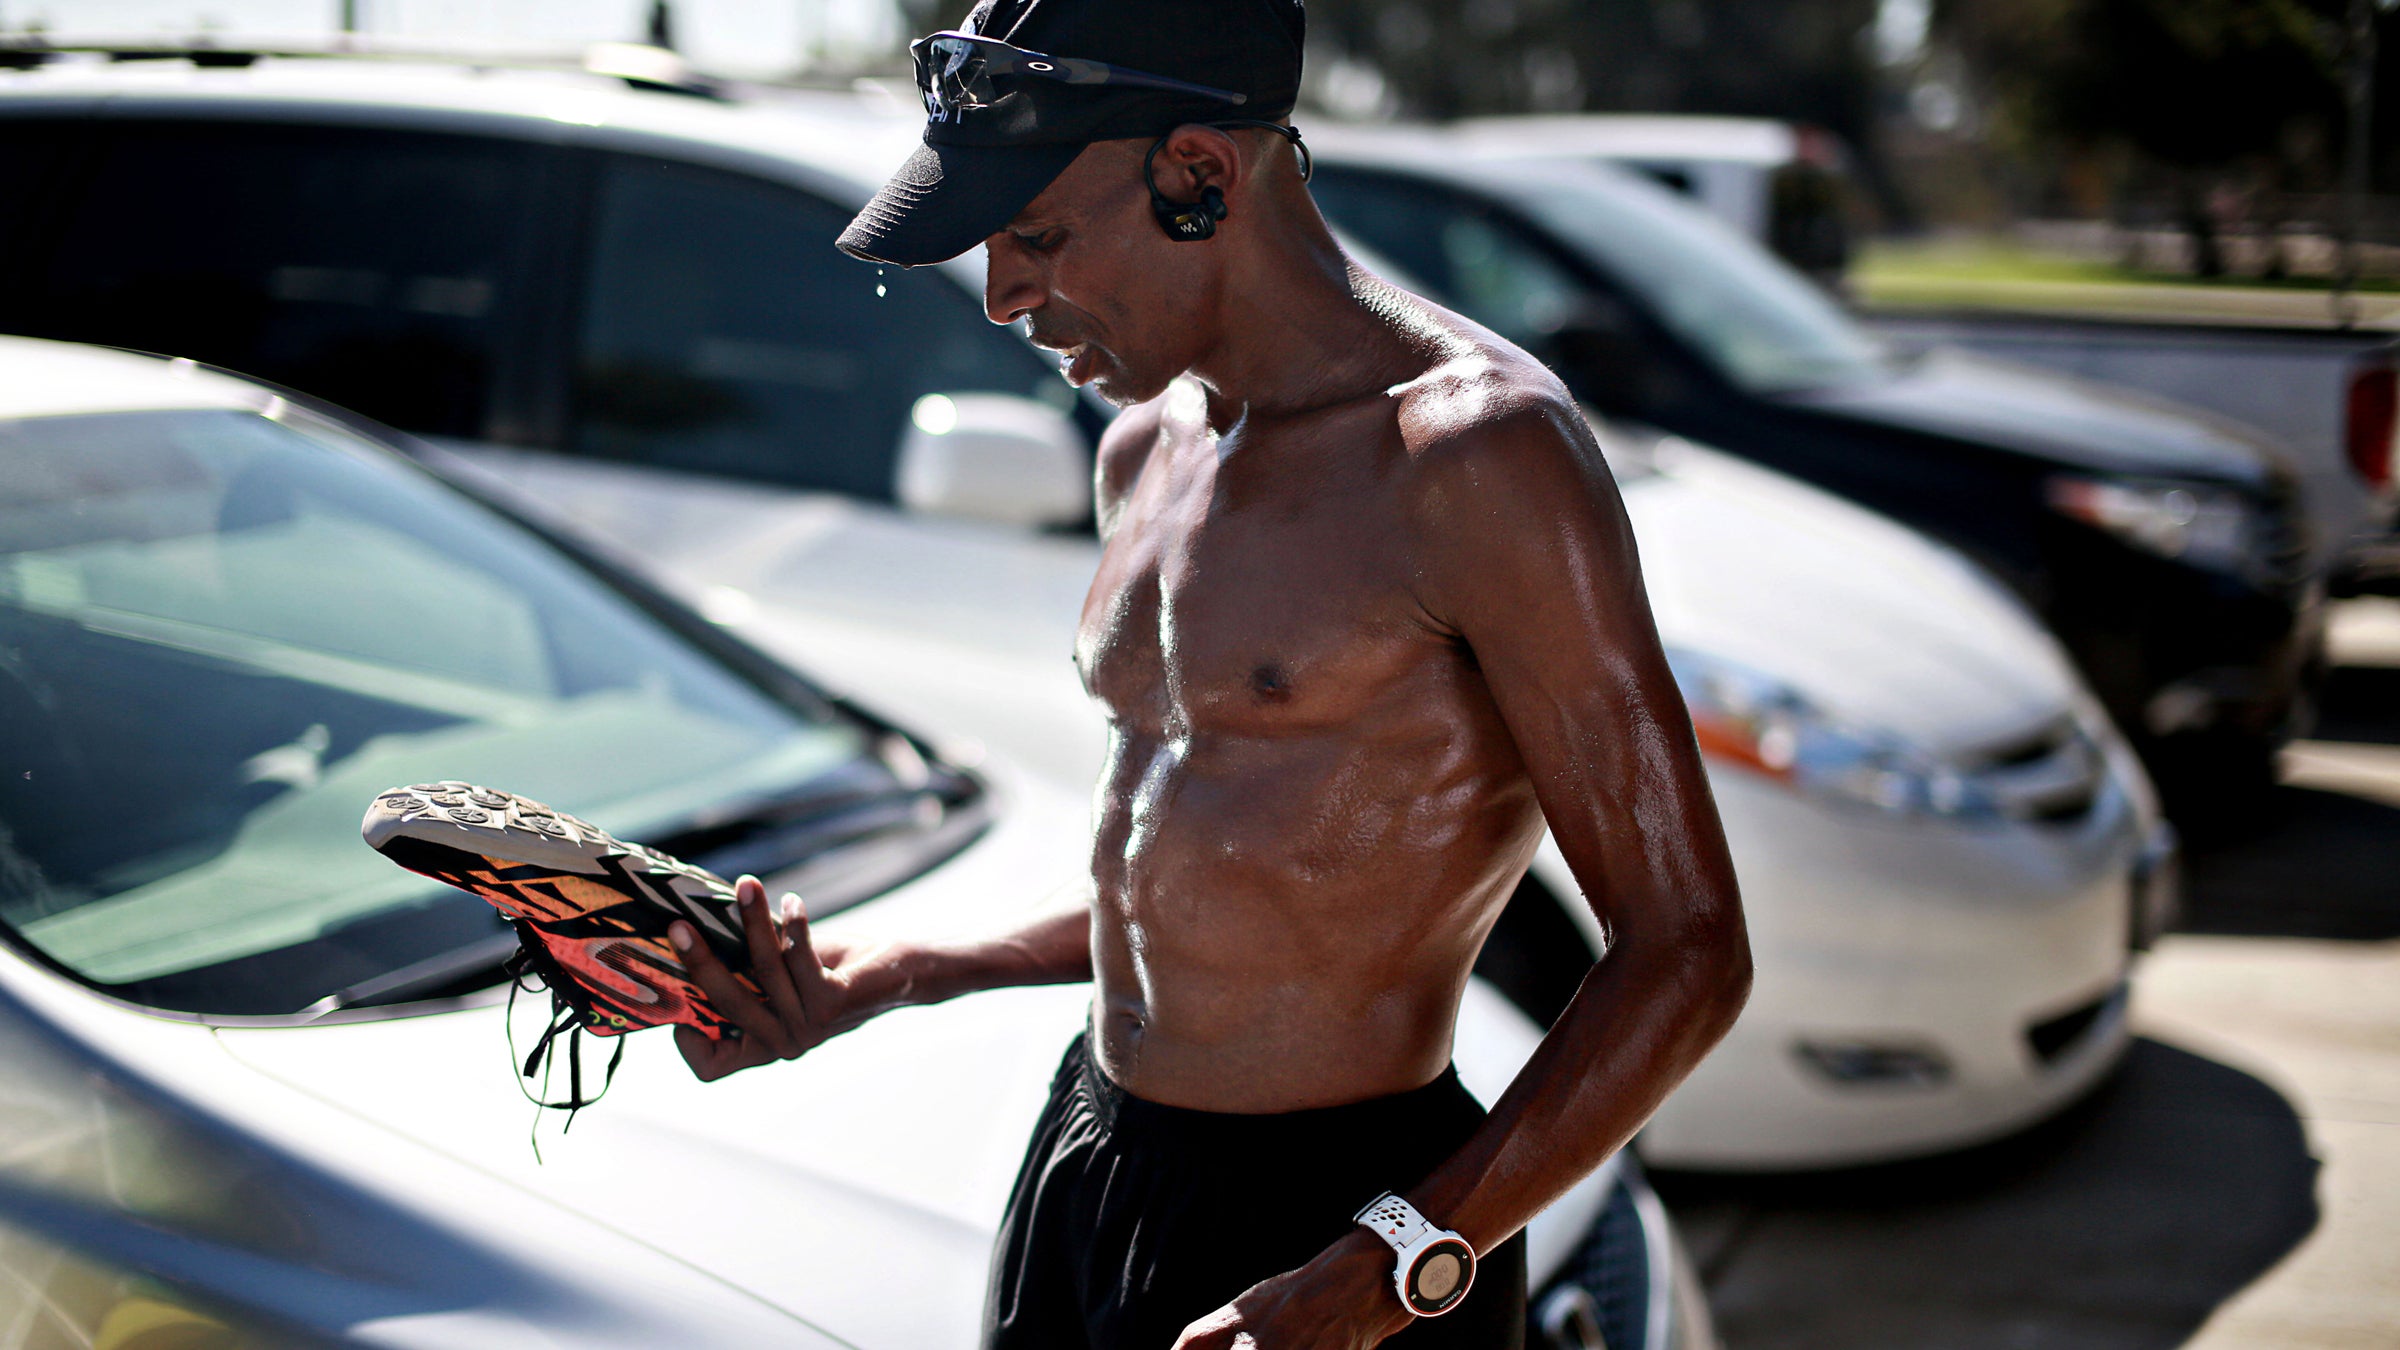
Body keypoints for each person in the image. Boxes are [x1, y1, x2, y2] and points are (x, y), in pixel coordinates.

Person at [664, 0, 1752, 1345]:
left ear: (1197, 174)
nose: (1000, 294)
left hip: (1346, 1228)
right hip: (1095, 1157)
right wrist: (887, 969)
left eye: (1040, 235)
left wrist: (1396, 1257)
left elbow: (1687, 950)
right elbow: (1203, 868)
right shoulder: (1147, 448)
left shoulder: (1476, 458)